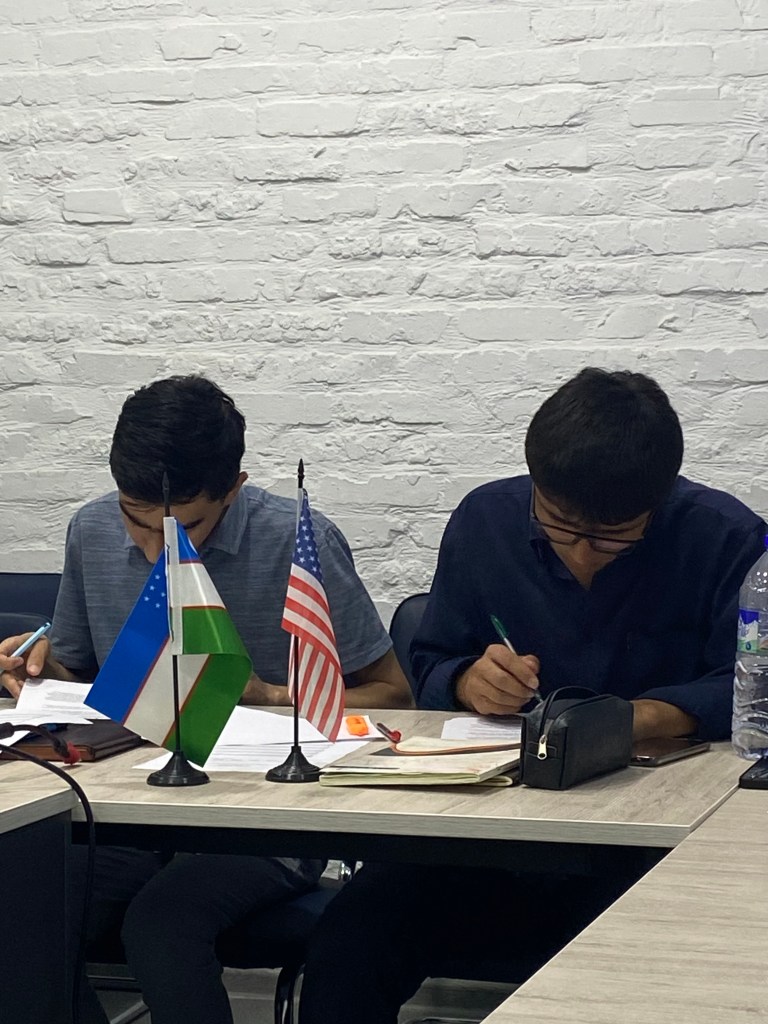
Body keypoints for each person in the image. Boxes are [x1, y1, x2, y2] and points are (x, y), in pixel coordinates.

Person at [298, 368, 766, 1024]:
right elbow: (428, 658)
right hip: (483, 838)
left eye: (613, 536)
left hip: (647, 846)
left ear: (657, 503)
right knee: (349, 944)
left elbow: (750, 685)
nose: (583, 555)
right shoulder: (485, 521)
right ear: (536, 484)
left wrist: (642, 718)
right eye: (560, 526)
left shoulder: (726, 538)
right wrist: (468, 680)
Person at [0, 375, 411, 1024]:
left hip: (264, 821)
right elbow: (75, 674)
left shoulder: (294, 539)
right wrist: (36, 668)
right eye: (136, 520)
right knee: (22, 907)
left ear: (234, 489)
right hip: (131, 808)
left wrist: (270, 693)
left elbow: (394, 694)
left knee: (162, 922)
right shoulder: (91, 529)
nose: (155, 548)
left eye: (184, 527)